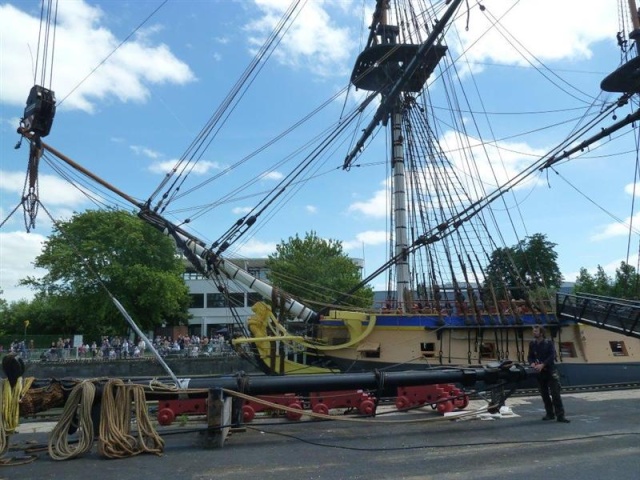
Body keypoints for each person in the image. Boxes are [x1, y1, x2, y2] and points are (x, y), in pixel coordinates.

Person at [527, 325, 570, 423]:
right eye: (533, 331)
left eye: (536, 331)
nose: (534, 333)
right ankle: (549, 414)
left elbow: (552, 355)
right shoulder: (532, 344)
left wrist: (543, 364)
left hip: (550, 371)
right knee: (544, 394)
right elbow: (530, 356)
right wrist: (532, 363)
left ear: (541, 333)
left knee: (555, 394)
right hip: (540, 373)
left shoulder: (548, 343)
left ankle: (560, 415)